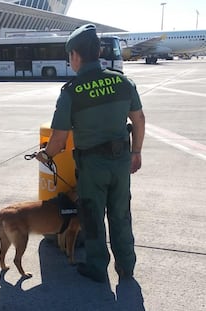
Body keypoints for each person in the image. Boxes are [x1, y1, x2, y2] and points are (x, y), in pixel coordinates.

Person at [36, 24, 145, 283]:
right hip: (120, 161)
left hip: (92, 167)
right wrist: (137, 152)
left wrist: (45, 155)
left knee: (93, 218)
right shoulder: (122, 81)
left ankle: (97, 267)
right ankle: (126, 266)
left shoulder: (71, 91)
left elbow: (59, 139)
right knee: (121, 214)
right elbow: (138, 119)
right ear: (98, 51)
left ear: (75, 55)